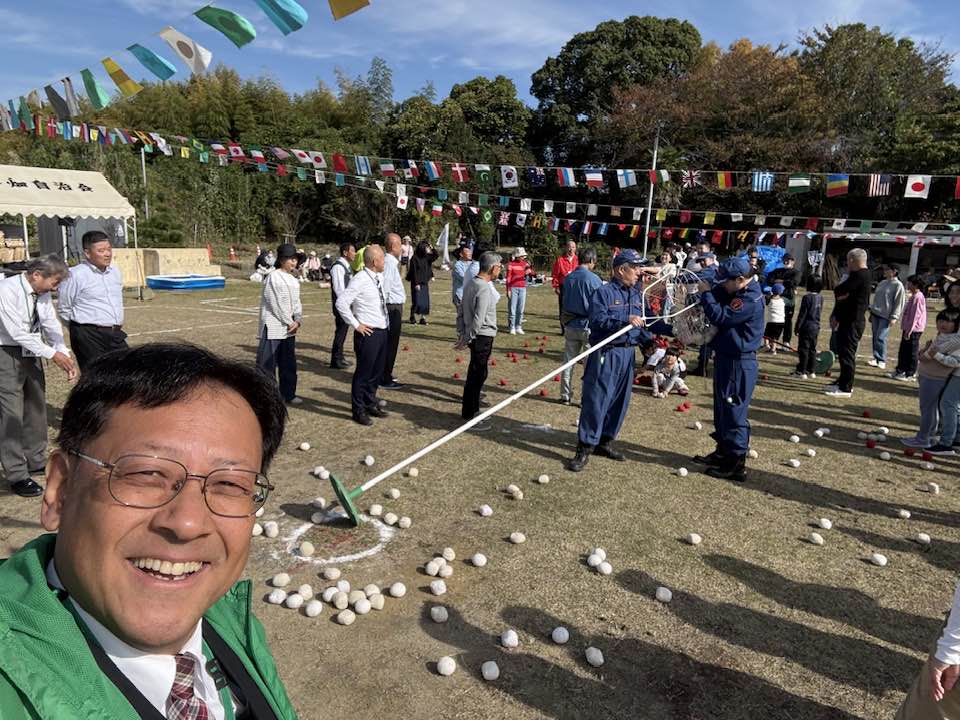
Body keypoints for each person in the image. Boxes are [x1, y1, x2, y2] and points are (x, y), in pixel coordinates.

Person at [0, 343, 297, 718]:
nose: (188, 523)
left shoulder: (227, 618)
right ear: (60, 490)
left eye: (229, 484)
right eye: (146, 474)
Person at [567, 249, 654, 472]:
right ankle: (585, 446)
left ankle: (605, 441)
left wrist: (648, 341)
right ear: (621, 269)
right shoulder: (603, 293)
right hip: (607, 352)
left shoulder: (636, 294)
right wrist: (624, 320)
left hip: (628, 354)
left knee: (619, 400)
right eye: (635, 268)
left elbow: (641, 323)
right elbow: (597, 320)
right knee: (597, 398)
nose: (638, 272)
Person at [0, 255, 77, 498]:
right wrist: (52, 354)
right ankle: (17, 473)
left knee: (36, 406)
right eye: (54, 283)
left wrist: (63, 350)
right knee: (10, 413)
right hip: (6, 350)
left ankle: (35, 459)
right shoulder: (6, 290)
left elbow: (49, 322)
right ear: (36, 275)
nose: (55, 289)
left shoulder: (41, 293)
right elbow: (16, 333)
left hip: (31, 350)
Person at [693, 256, 765, 482]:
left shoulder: (749, 298)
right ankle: (723, 450)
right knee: (722, 408)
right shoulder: (736, 290)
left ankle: (735, 463)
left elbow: (721, 316)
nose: (722, 284)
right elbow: (719, 291)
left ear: (741, 279)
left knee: (734, 411)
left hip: (739, 361)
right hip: (727, 357)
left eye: (726, 281)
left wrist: (706, 295)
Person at [57, 230, 127, 372]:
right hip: (88, 334)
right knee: (96, 376)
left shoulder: (115, 272)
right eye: (101, 251)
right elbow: (64, 308)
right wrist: (79, 329)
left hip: (114, 333)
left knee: (125, 370)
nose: (107, 254)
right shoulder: (75, 275)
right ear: (87, 253)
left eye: (109, 249)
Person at [336, 244, 389, 426]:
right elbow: (342, 302)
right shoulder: (360, 279)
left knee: (377, 371)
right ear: (374, 262)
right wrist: (356, 324)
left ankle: (369, 402)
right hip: (368, 332)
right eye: (382, 258)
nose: (385, 261)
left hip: (382, 329)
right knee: (364, 373)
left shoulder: (378, 277)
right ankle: (358, 409)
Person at [900, 309, 960, 451]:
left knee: (928, 409)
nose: (943, 324)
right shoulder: (941, 336)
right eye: (940, 320)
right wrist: (926, 351)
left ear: (956, 325)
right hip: (926, 375)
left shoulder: (954, 341)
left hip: (935, 378)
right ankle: (926, 436)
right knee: (929, 408)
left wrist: (934, 354)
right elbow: (925, 356)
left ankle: (923, 438)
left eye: (948, 321)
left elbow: (953, 362)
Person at [457, 252, 503, 432]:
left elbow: (460, 312)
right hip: (481, 336)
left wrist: (462, 333)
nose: (501, 269)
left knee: (477, 373)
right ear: (493, 267)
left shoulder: (470, 284)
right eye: (500, 266)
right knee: (477, 375)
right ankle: (471, 414)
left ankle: (469, 410)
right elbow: (478, 319)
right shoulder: (483, 287)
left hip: (476, 336)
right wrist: (466, 337)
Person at [256, 243, 304, 406]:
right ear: (282, 260)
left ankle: (288, 393)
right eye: (290, 259)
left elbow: (296, 302)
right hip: (273, 327)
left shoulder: (293, 280)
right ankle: (266, 397)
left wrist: (297, 319)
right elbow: (275, 304)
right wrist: (289, 321)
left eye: (295, 259)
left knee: (288, 362)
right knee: (267, 364)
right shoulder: (273, 277)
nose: (293, 262)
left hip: (289, 328)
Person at [559, 247, 603, 406]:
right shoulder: (595, 280)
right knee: (589, 365)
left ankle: (565, 395)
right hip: (587, 325)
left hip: (570, 324)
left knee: (568, 362)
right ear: (591, 261)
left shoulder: (569, 278)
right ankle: (585, 397)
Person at [826, 248, 871, 398]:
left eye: (848, 260)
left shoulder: (861, 275)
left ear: (852, 260)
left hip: (853, 321)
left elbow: (841, 289)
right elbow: (840, 293)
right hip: (846, 319)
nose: (847, 264)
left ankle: (846, 387)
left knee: (847, 354)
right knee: (842, 352)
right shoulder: (855, 275)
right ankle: (841, 380)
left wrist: (843, 294)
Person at [381, 233, 406, 390]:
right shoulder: (389, 264)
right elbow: (385, 288)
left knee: (390, 343)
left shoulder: (391, 263)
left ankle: (385, 373)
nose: (402, 248)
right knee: (390, 344)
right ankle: (385, 376)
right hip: (392, 307)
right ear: (393, 246)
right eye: (400, 244)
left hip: (394, 307)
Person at [868, 264, 906, 369]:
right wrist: (872, 311)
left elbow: (899, 302)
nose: (884, 271)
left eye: (887, 269)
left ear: (894, 271)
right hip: (876, 313)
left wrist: (894, 317)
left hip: (886, 316)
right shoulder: (882, 283)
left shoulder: (898, 285)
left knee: (881, 337)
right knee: (875, 336)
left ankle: (882, 360)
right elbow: (876, 298)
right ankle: (876, 358)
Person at [891, 275, 928, 381]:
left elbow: (915, 315)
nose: (907, 285)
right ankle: (900, 370)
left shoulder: (918, 297)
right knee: (903, 350)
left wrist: (909, 330)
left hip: (914, 329)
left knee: (911, 351)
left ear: (915, 285)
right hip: (908, 328)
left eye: (910, 283)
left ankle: (910, 373)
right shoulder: (913, 296)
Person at [690, 253, 718, 377]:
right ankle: (704, 366)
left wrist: (672, 278)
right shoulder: (716, 270)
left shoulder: (710, 270)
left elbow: (692, 277)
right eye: (700, 261)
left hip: (712, 308)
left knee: (707, 337)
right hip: (712, 306)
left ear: (712, 260)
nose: (701, 263)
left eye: (704, 260)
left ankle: (702, 368)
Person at [329, 241, 356, 370]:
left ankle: (340, 357)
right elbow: (339, 289)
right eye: (353, 251)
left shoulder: (346, 266)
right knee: (340, 331)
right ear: (345, 252)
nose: (355, 254)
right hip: (342, 305)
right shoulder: (338, 267)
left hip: (347, 304)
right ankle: (336, 359)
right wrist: (345, 305)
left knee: (343, 331)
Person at [793, 276, 824, 379]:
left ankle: (801, 371)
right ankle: (811, 370)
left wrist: (797, 326)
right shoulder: (821, 298)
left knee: (803, 349)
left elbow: (803, 314)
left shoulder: (807, 298)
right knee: (812, 349)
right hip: (816, 326)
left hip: (806, 326)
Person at [766, 254, 798, 345]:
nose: (786, 262)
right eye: (784, 260)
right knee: (774, 320)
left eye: (788, 260)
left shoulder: (795, 272)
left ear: (793, 261)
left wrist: (780, 281)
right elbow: (769, 280)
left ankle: (786, 341)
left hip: (788, 299)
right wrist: (784, 281)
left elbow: (793, 282)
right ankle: (772, 340)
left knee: (788, 320)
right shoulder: (777, 271)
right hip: (776, 300)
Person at [452, 242, 480, 339]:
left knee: (470, 316)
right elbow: (464, 278)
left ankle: (468, 334)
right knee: (462, 315)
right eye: (467, 252)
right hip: (460, 295)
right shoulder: (457, 265)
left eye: (470, 251)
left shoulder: (473, 264)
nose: (470, 253)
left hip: (470, 294)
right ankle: (461, 334)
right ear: (461, 254)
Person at [406, 240, 437, 325]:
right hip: (417, 283)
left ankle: (423, 318)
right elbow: (414, 271)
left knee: (424, 302)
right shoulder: (414, 258)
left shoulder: (427, 257)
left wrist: (432, 247)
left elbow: (435, 256)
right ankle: (412, 317)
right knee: (416, 302)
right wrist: (416, 283)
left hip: (424, 282)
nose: (427, 249)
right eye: (426, 247)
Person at [551, 240, 579, 335]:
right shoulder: (560, 260)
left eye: (573, 247)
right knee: (563, 308)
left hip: (575, 287)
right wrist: (556, 286)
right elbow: (555, 274)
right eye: (569, 247)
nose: (571, 249)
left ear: (575, 248)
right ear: (566, 248)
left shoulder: (578, 260)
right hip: (564, 287)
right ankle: (564, 329)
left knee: (575, 307)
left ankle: (574, 327)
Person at [506, 247, 533, 335]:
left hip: (522, 287)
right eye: (521, 256)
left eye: (523, 256)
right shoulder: (511, 264)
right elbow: (508, 278)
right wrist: (508, 289)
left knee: (520, 309)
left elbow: (531, 273)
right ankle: (512, 327)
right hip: (513, 288)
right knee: (512, 309)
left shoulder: (525, 264)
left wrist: (530, 272)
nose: (523, 257)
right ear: (517, 256)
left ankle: (518, 326)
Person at [763, 284, 786, 354]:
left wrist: (769, 294)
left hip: (772, 321)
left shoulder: (770, 300)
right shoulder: (783, 300)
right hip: (781, 321)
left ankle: (766, 345)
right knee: (774, 338)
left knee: (766, 335)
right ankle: (773, 350)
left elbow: (766, 298)